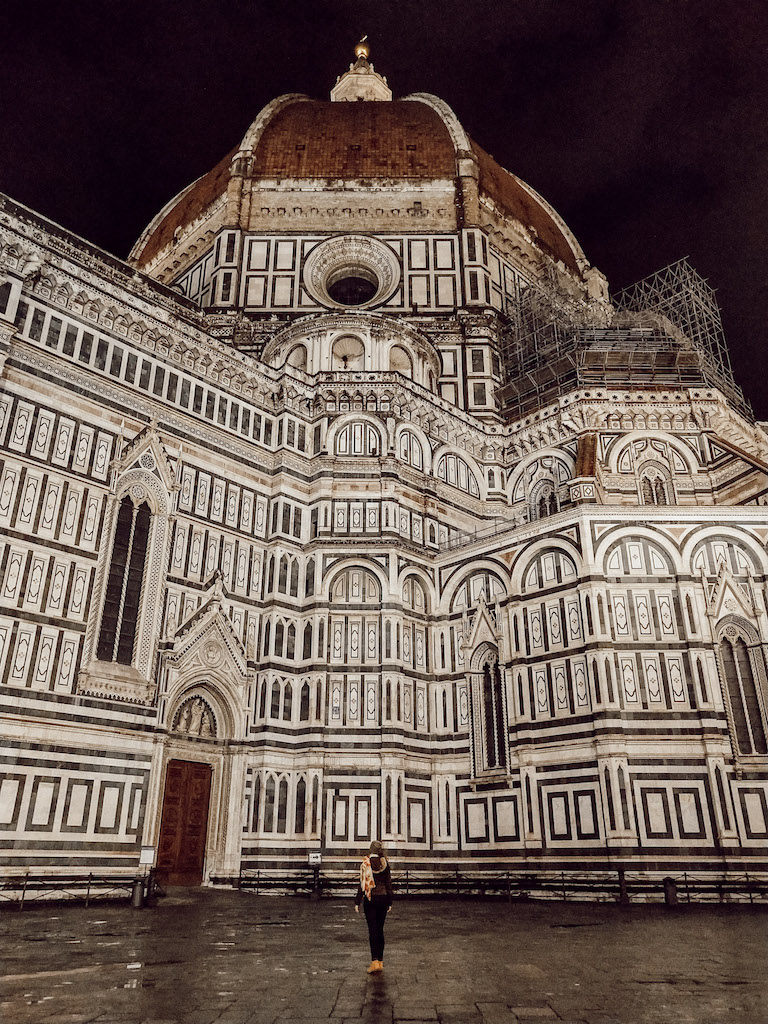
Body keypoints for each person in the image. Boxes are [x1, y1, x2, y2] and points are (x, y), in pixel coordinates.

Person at [354, 839, 393, 973]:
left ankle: (374, 962)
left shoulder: (366, 863)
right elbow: (388, 884)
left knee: (373, 930)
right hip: (383, 898)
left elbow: (363, 884)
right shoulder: (385, 863)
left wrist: (357, 901)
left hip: (370, 899)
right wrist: (390, 901)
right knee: (380, 930)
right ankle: (381, 962)